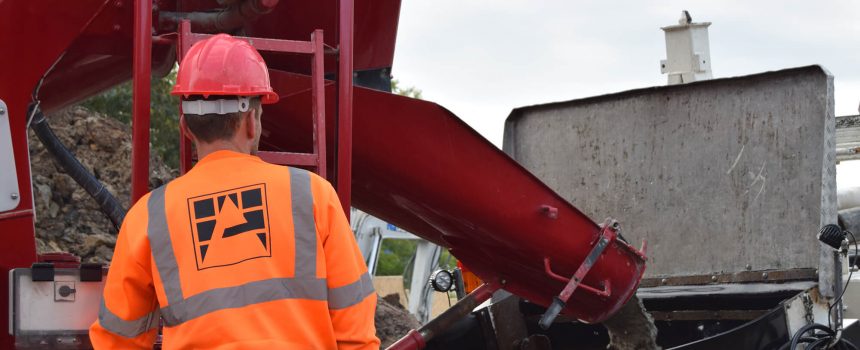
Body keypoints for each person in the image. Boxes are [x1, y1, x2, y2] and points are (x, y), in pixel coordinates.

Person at [89, 34, 379, 349]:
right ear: (252, 121)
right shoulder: (312, 195)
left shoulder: (149, 216)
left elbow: (117, 341)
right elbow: (355, 330)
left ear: (185, 128)